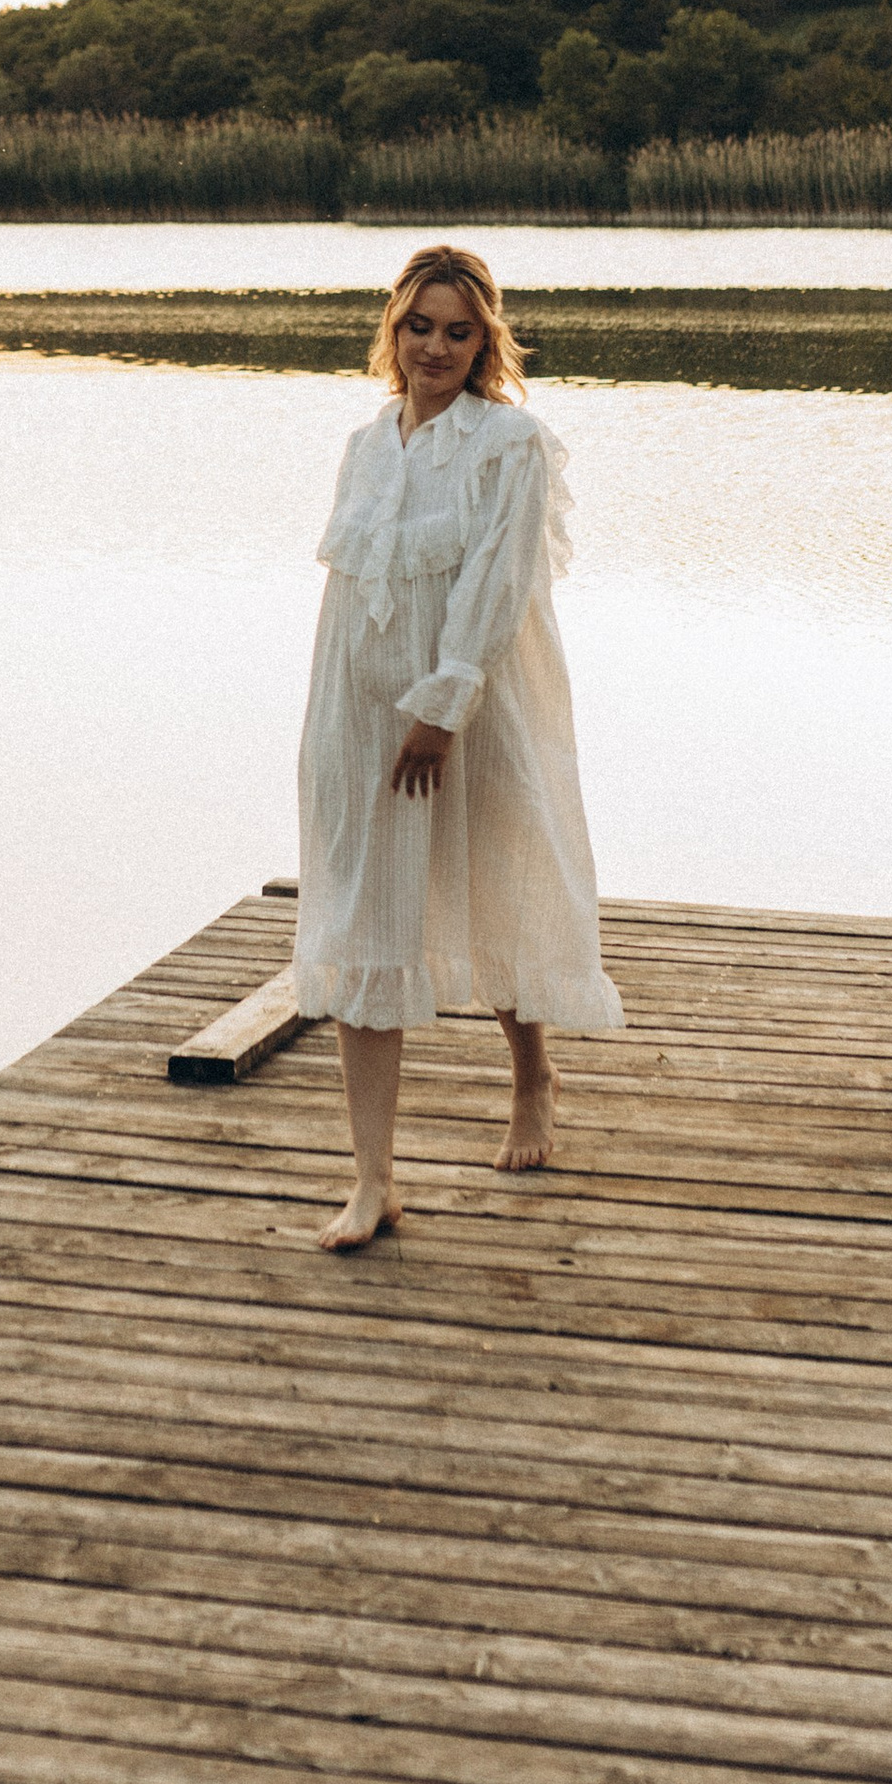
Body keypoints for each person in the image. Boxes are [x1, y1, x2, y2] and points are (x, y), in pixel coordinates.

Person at [294, 242, 625, 1249]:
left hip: (471, 702)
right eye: (417, 326)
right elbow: (350, 589)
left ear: (484, 341)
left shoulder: (508, 446)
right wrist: (348, 719)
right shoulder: (364, 443)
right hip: (353, 705)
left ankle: (532, 1074)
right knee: (359, 924)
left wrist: (442, 707)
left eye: (456, 330)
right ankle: (372, 1181)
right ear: (391, 328)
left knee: (495, 882)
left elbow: (493, 583)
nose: (433, 347)